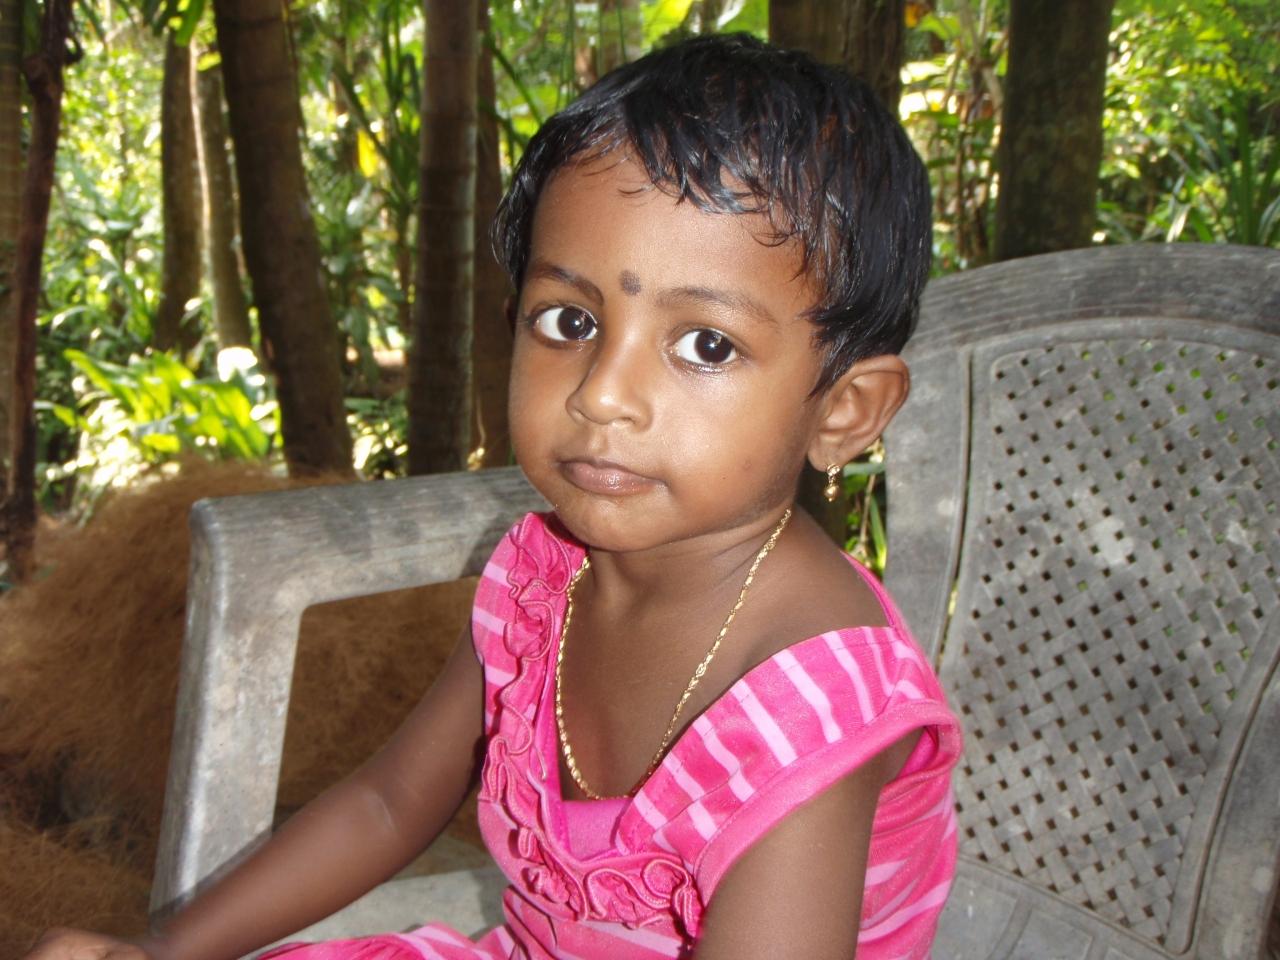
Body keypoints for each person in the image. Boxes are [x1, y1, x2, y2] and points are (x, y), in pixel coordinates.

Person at [27, 32, 959, 960]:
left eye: (704, 345)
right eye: (571, 321)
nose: (601, 393)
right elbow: (390, 800)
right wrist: (164, 949)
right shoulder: (542, 582)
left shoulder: (812, 704)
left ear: (844, 411)